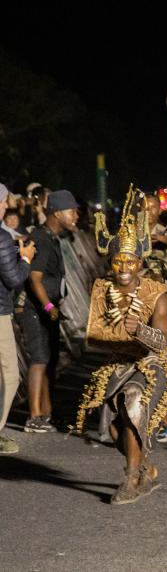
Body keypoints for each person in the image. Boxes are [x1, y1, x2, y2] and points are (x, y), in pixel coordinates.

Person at [74, 189, 167, 503]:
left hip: (153, 363)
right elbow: (97, 334)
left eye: (130, 260)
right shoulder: (103, 289)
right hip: (118, 364)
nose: (124, 266)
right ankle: (144, 467)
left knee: (133, 398)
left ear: (140, 263)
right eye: (118, 260)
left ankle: (130, 480)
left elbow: (162, 339)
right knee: (117, 430)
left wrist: (141, 331)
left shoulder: (156, 291)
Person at [23, 189, 79, 432]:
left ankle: (47, 412)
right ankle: (33, 416)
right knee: (39, 359)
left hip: (50, 309)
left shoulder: (53, 237)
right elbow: (34, 279)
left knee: (51, 360)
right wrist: (48, 306)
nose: (76, 216)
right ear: (56, 213)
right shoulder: (41, 238)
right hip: (34, 309)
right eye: (72, 211)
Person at [0, 183, 34, 454]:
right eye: (3, 204)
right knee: (10, 375)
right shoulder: (1, 237)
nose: (5, 208)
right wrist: (24, 259)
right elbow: (12, 279)